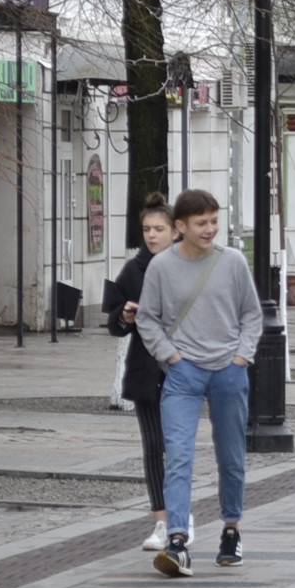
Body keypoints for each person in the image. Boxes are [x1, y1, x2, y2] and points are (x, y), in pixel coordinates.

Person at [133, 188, 260, 577]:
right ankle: (177, 539)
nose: (210, 229)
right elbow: (147, 318)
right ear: (180, 227)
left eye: (214, 221)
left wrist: (242, 357)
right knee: (179, 454)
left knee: (231, 455)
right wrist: (170, 356)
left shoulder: (233, 262)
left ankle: (231, 529)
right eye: (201, 222)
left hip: (228, 370)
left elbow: (252, 315)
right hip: (183, 373)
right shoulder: (161, 267)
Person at [107, 196, 178, 552]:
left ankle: (181, 518)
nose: (152, 236)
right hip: (145, 370)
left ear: (174, 231)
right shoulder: (133, 270)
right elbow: (114, 325)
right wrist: (126, 316)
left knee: (177, 448)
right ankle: (162, 522)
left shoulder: (188, 265)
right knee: (153, 447)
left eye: (159, 229)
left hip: (183, 371)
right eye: (147, 229)